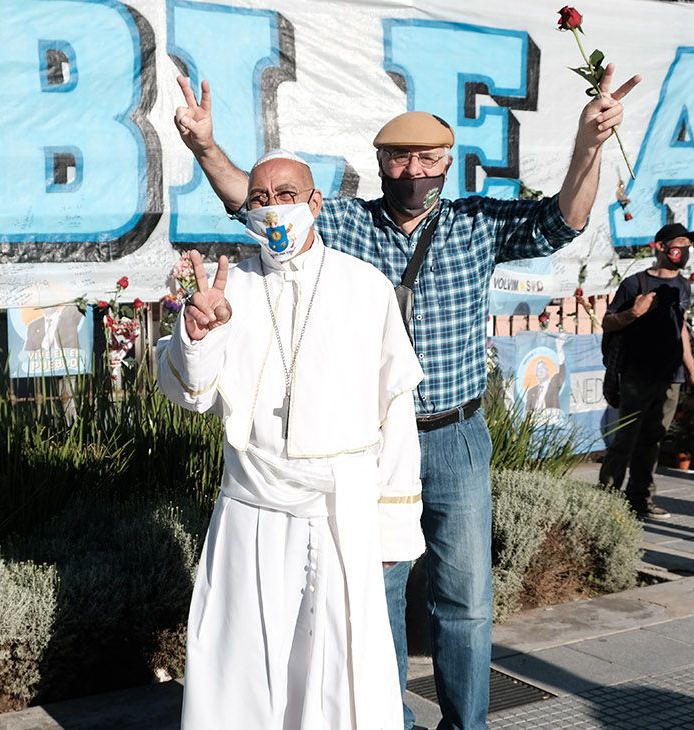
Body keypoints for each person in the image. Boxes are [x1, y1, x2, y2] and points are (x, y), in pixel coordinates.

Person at [172, 65, 640, 730]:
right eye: (398, 158)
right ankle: (386, 720)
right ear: (381, 163)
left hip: (454, 436)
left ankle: (466, 724)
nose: (412, 169)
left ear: (447, 163)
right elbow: (265, 202)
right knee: (374, 596)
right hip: (369, 448)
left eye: (427, 157)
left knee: (466, 598)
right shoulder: (346, 224)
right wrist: (204, 149)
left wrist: (588, 147)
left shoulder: (478, 223)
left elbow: (566, 218)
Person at [158, 151, 426, 729]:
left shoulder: (365, 286)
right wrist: (197, 334)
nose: (272, 207)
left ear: (314, 204)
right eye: (258, 198)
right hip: (251, 508)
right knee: (245, 668)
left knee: (337, 673)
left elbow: (395, 412)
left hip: (341, 512)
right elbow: (193, 393)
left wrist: (394, 527)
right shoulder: (233, 290)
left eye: (286, 194)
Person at [598, 224, 694, 518]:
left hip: (671, 377)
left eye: (687, 244)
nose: (683, 250)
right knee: (626, 439)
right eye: (678, 243)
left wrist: (692, 370)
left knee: (653, 440)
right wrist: (634, 313)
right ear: (660, 247)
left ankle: (640, 498)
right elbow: (607, 323)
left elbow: (680, 327)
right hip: (637, 374)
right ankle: (606, 499)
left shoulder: (682, 286)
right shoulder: (635, 284)